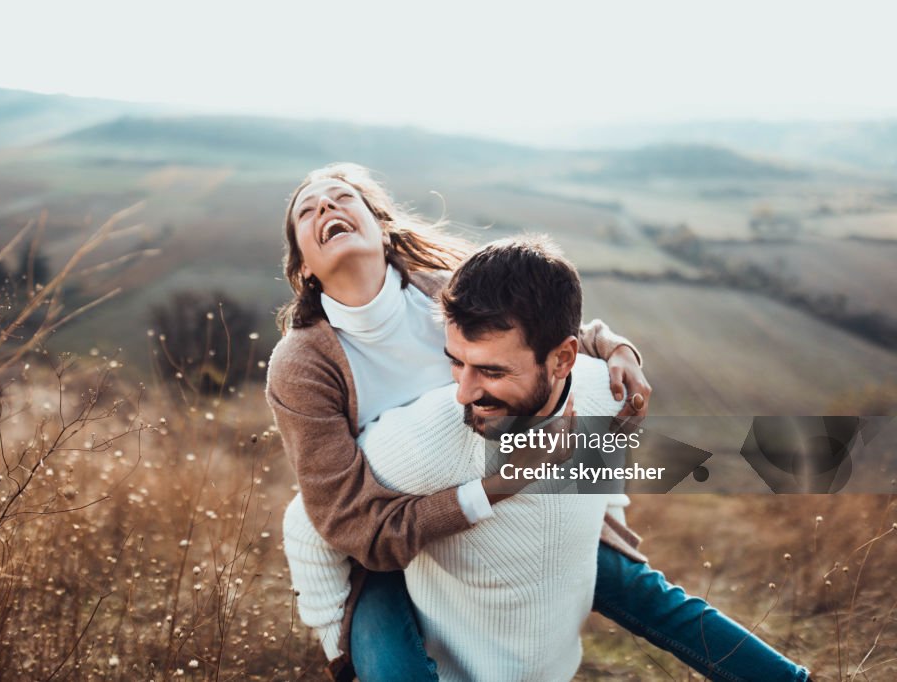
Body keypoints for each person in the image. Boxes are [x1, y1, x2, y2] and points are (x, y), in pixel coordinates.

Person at [266, 164, 806, 681]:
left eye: (341, 197)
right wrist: (495, 488)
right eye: (307, 211)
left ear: (381, 228)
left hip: (514, 480)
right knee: (393, 669)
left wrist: (616, 347)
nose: (326, 207)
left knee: (641, 590)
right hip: (388, 537)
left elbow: (544, 326)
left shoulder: (444, 291)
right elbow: (348, 519)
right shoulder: (301, 364)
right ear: (304, 266)